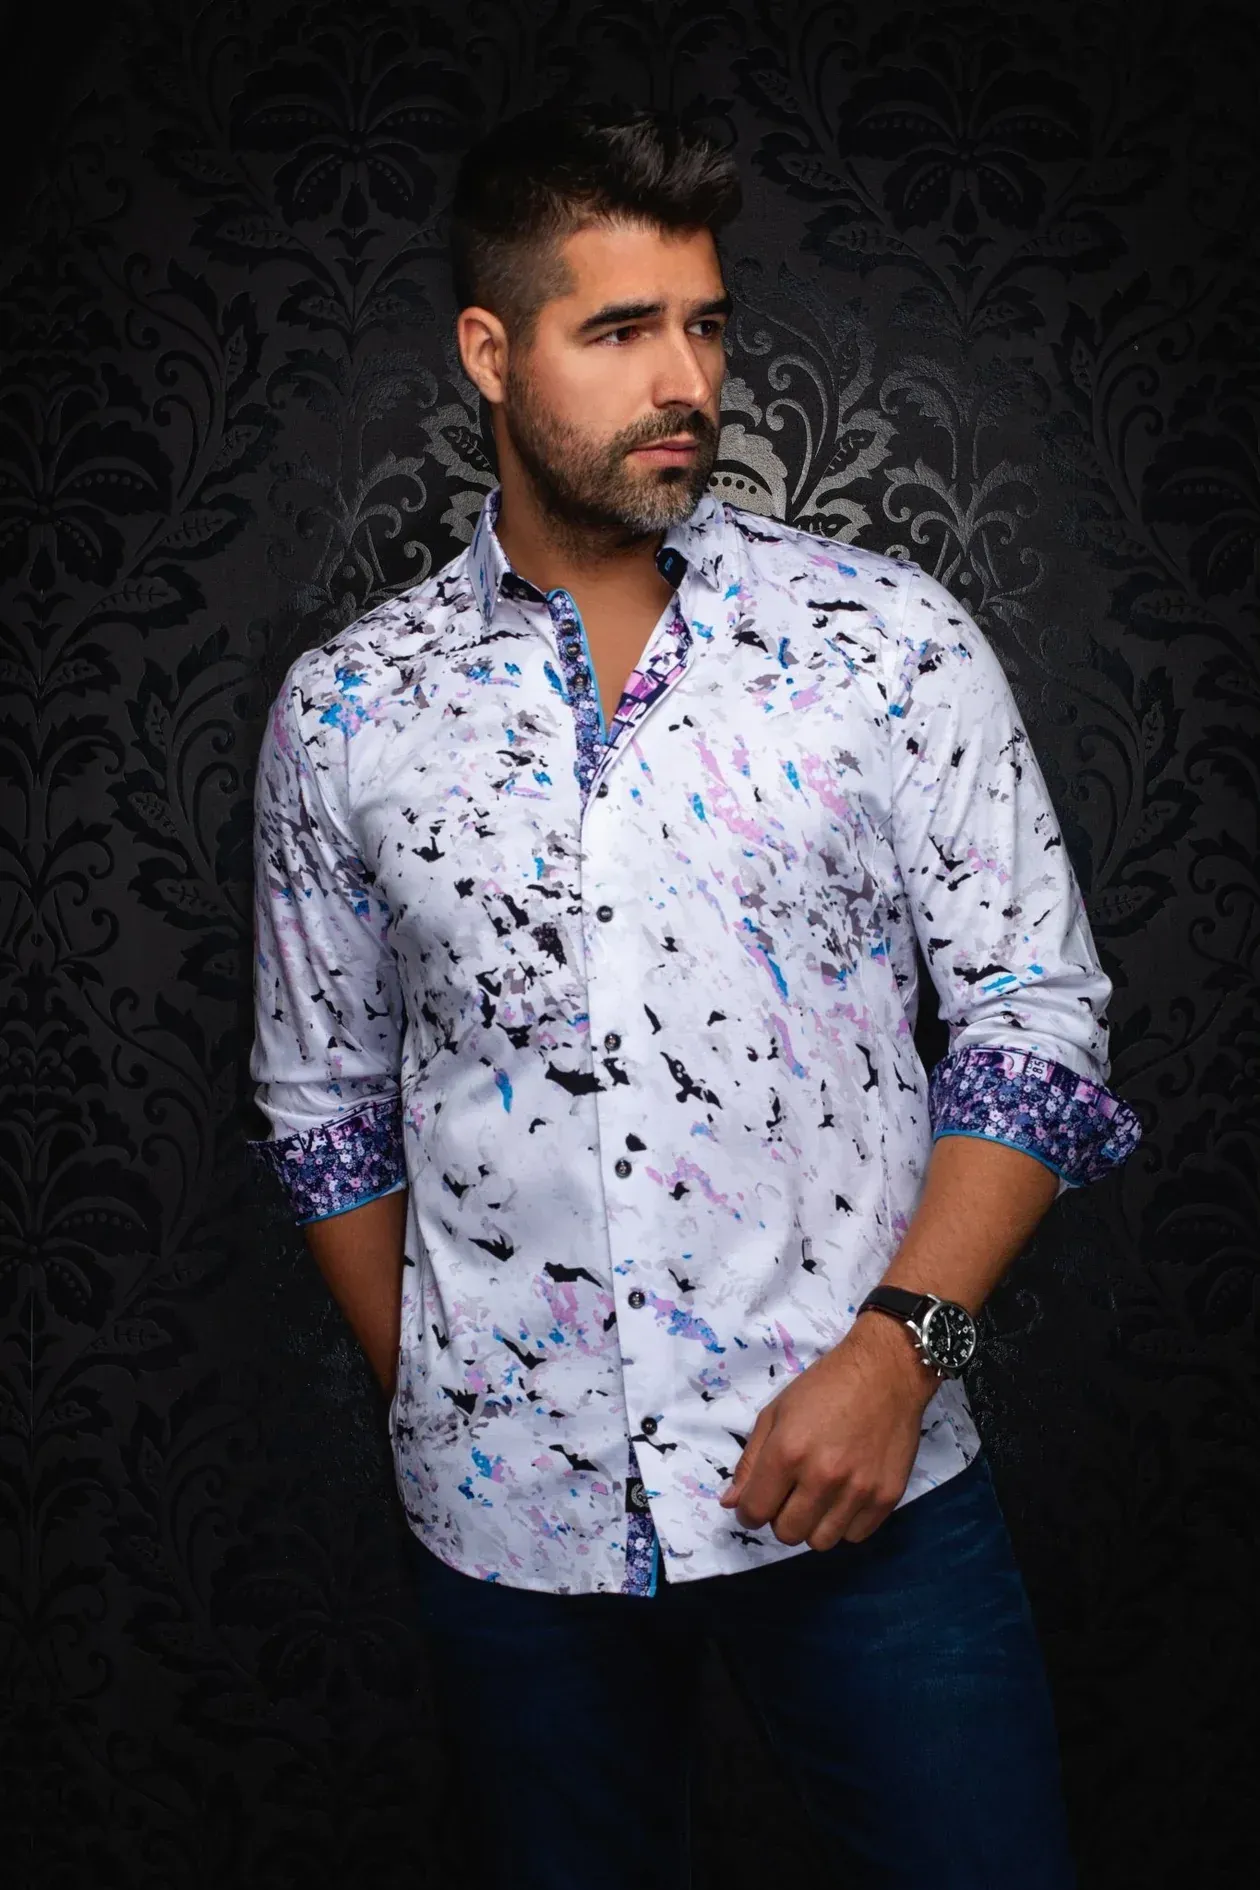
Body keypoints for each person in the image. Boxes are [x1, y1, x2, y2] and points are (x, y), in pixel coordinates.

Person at [248, 104, 1141, 1890]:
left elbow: (1037, 1021)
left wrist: (903, 1354)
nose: (686, 380)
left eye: (706, 324)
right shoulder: (348, 710)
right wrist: (459, 1392)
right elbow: (322, 1098)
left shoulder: (884, 642)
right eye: (620, 329)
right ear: (490, 352)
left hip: (872, 1489)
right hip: (509, 1538)